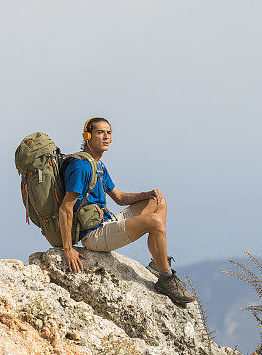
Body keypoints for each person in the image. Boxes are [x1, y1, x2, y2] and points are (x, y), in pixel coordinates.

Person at [58, 117, 196, 305]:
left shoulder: (97, 164)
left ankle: (158, 263)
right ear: (87, 136)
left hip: (106, 222)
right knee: (154, 222)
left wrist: (147, 194)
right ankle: (166, 278)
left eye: (109, 133)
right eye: (100, 132)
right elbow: (66, 208)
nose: (106, 137)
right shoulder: (81, 166)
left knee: (159, 202)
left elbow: (120, 198)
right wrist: (68, 250)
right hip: (93, 235)